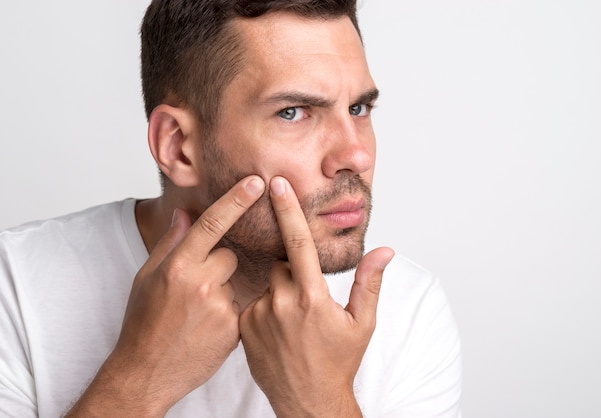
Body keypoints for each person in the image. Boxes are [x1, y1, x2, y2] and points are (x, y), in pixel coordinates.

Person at [0, 0, 462, 417]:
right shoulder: (17, 287)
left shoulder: (407, 310)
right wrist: (138, 381)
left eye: (359, 109)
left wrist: (319, 402)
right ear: (179, 147)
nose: (356, 156)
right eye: (294, 112)